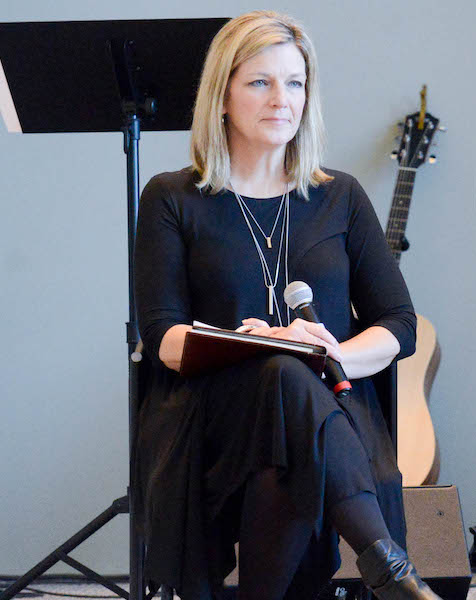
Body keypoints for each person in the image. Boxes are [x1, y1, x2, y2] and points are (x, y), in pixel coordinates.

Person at [133, 11, 439, 600]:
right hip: (212, 417)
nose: (282, 99)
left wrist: (335, 353)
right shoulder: (173, 198)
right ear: (221, 96)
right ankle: (392, 571)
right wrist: (260, 345)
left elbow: (399, 324)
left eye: (295, 83)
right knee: (278, 371)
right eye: (260, 82)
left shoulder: (340, 196)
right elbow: (164, 337)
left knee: (287, 439)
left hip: (327, 403)